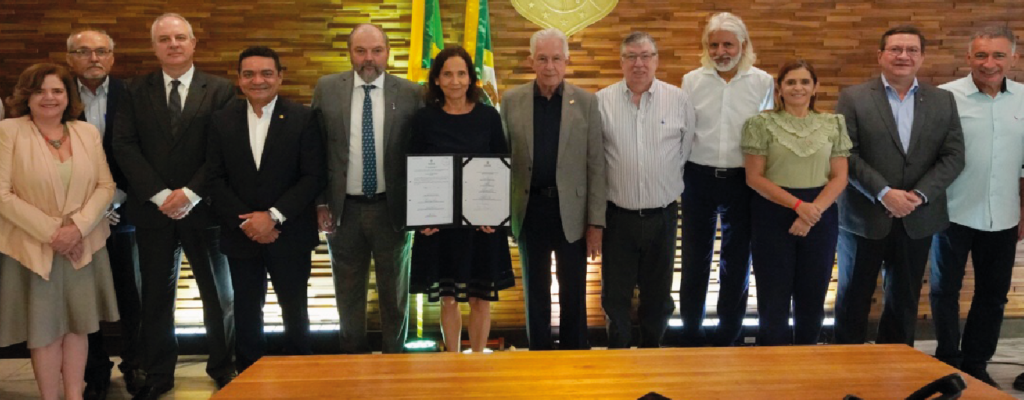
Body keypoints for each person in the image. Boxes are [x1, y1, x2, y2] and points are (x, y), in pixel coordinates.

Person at [112, 13, 236, 399]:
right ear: (154, 47)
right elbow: (124, 145)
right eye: (164, 39)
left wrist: (190, 193)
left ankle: (223, 367)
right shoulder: (134, 90)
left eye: (180, 37)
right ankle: (158, 372)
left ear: (193, 43)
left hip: (206, 209)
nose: (173, 44)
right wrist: (160, 195)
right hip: (153, 212)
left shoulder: (221, 89)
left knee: (219, 296)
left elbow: (223, 149)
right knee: (154, 297)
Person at [834, 25, 964, 347]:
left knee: (904, 301)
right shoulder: (853, 97)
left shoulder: (943, 100)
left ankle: (894, 366)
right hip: (864, 216)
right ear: (880, 55)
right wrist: (884, 193)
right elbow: (845, 152)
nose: (903, 56)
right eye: (895, 49)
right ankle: (845, 365)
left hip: (917, 218)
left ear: (922, 57)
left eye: (912, 50)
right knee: (853, 297)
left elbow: (954, 156)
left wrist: (918, 196)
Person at [0, 63, 118, 400]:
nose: (49, 97)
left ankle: (74, 396)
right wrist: (56, 234)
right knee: (45, 329)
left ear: (68, 96)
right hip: (33, 246)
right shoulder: (9, 131)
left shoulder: (86, 132)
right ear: (26, 96)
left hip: (83, 244)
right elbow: (2, 194)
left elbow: (105, 186)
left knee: (78, 325)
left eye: (57, 90)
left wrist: (77, 229)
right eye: (39, 91)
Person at [206, 46, 325, 372]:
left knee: (295, 309)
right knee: (246, 309)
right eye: (249, 74)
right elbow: (214, 178)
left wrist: (272, 217)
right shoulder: (220, 120)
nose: (258, 80)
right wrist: (248, 222)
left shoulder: (303, 117)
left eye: (266, 73)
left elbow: (313, 176)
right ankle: (249, 375)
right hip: (240, 233)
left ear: (280, 77)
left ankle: (300, 373)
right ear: (239, 79)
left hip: (290, 232)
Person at [312, 23, 422, 354]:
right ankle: (352, 363)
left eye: (376, 50)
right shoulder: (327, 88)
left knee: (395, 294)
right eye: (360, 51)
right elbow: (315, 149)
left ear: (388, 53)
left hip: (393, 210)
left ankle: (395, 360)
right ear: (350, 53)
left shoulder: (412, 93)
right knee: (347, 295)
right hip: (343, 210)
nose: (368, 58)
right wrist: (320, 203)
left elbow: (422, 151)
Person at [501, 28, 605, 351]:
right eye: (542, 59)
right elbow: (502, 161)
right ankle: (539, 353)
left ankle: (575, 353)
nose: (550, 66)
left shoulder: (586, 103)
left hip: (571, 212)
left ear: (567, 61)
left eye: (556, 59)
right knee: (535, 288)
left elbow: (596, 165)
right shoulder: (512, 101)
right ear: (531, 61)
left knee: (573, 289)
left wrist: (596, 222)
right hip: (529, 209)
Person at [931, 26, 1022, 388]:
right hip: (950, 213)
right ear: (968, 57)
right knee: (944, 292)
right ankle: (947, 361)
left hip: (1004, 214)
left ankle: (976, 364)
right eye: (981, 55)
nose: (989, 63)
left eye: (999, 55)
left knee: (993, 296)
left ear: (1013, 58)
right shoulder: (944, 97)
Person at [409, 46, 514, 353]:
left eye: (461, 74)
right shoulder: (424, 119)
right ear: (436, 79)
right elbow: (413, 169)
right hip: (440, 225)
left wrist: (494, 214)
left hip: (482, 224)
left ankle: (477, 360)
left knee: (480, 298)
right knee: (448, 298)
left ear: (471, 79)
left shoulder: (488, 117)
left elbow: (501, 166)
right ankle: (452, 361)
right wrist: (422, 219)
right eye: (447, 74)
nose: (455, 81)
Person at [679, 12, 774, 347]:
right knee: (694, 259)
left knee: (737, 261)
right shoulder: (691, 81)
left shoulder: (763, 82)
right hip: (697, 177)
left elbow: (767, 133)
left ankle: (728, 335)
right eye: (714, 45)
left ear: (743, 45)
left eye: (728, 45)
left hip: (743, 181)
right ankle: (691, 332)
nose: (721, 52)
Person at [741, 60, 850, 346]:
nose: (797, 87)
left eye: (804, 82)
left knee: (813, 294)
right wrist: (799, 206)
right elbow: (754, 177)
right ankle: (773, 360)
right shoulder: (760, 124)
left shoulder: (833, 123)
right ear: (779, 88)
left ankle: (807, 357)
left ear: (815, 88)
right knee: (773, 295)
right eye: (790, 82)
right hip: (772, 212)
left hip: (820, 214)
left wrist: (811, 212)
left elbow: (840, 177)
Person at [597, 31, 695, 349]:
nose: (638, 63)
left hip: (662, 215)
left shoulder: (678, 100)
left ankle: (653, 354)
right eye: (631, 57)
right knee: (615, 296)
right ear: (621, 61)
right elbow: (595, 160)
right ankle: (619, 359)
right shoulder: (601, 101)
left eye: (645, 56)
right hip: (617, 216)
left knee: (658, 296)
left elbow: (684, 152)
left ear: (656, 60)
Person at [65, 28, 144, 400]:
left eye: (101, 51)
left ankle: (136, 365)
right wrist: (85, 211)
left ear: (112, 56)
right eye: (83, 51)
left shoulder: (135, 94)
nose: (93, 58)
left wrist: (113, 201)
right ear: (70, 59)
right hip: (75, 217)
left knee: (133, 293)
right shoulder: (56, 95)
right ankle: (94, 370)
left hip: (125, 211)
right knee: (84, 295)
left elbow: (145, 152)